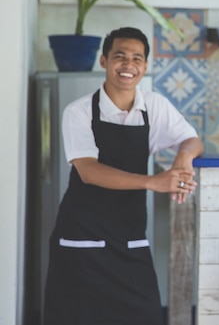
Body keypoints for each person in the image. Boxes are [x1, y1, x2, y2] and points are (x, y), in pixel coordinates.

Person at [43, 27, 204, 325]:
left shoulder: (153, 106)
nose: (128, 65)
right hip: (83, 238)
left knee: (144, 316)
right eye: (119, 56)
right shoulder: (78, 112)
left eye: (137, 58)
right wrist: (153, 182)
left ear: (144, 66)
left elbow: (192, 140)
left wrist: (183, 156)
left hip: (130, 238)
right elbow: (88, 171)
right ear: (104, 61)